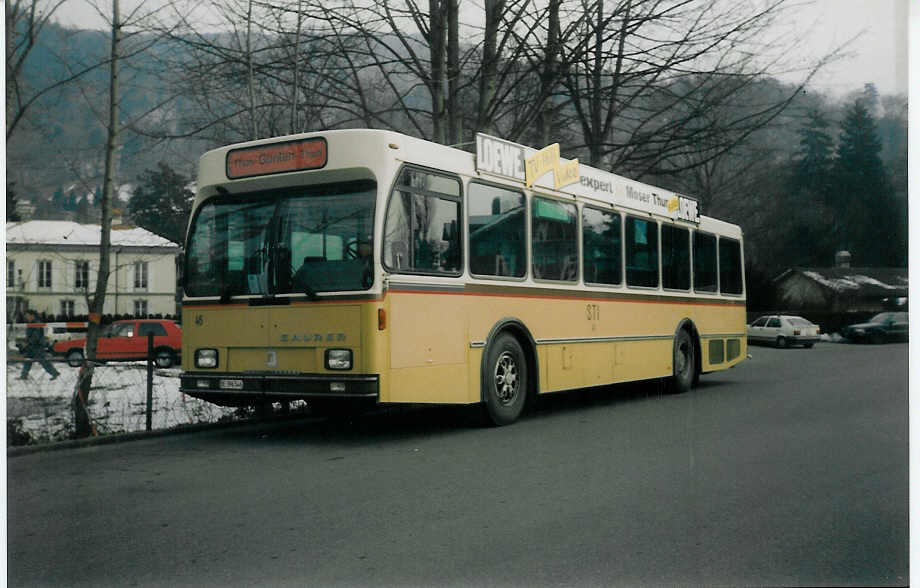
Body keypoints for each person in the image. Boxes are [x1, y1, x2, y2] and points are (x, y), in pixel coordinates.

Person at [19, 310, 60, 381]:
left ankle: (54, 373)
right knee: (27, 360)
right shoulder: (31, 323)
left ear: (32, 316)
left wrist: (29, 342)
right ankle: (23, 375)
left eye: (28, 315)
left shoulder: (37, 323)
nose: (26, 317)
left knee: (43, 361)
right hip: (31, 346)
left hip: (37, 346)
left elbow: (36, 335)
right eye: (26, 316)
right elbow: (30, 335)